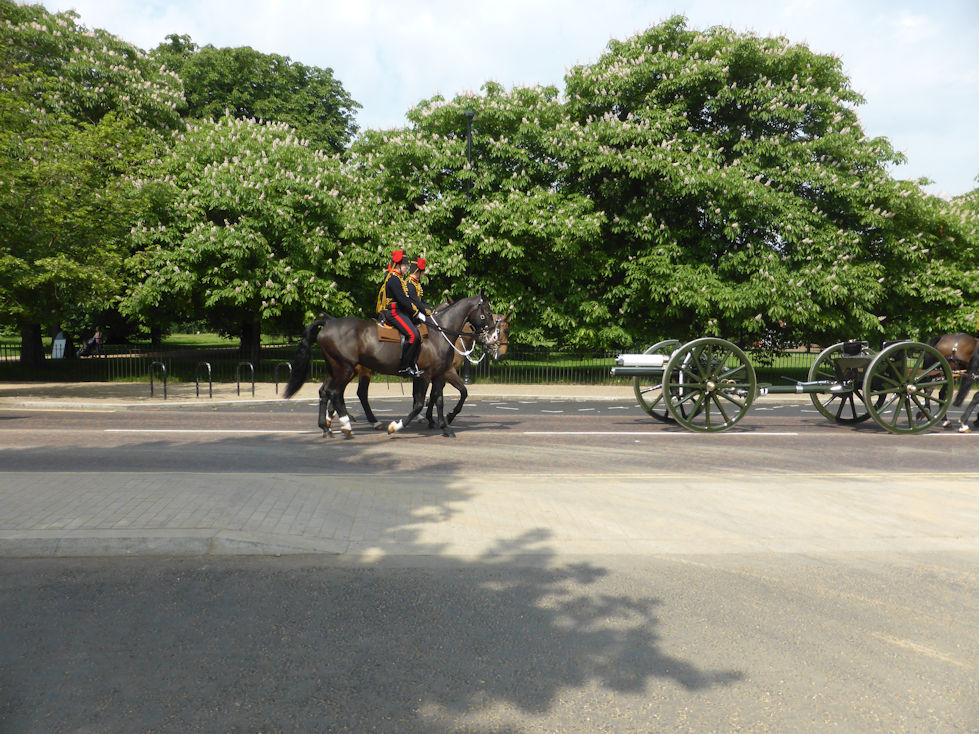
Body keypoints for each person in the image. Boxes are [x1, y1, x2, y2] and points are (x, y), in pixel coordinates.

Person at [376, 249, 424, 377]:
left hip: (399, 311)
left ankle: (413, 364)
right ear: (398, 265)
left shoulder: (399, 279)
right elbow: (403, 301)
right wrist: (416, 313)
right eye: (405, 265)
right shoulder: (393, 279)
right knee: (413, 335)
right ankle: (404, 367)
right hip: (394, 312)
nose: (407, 268)